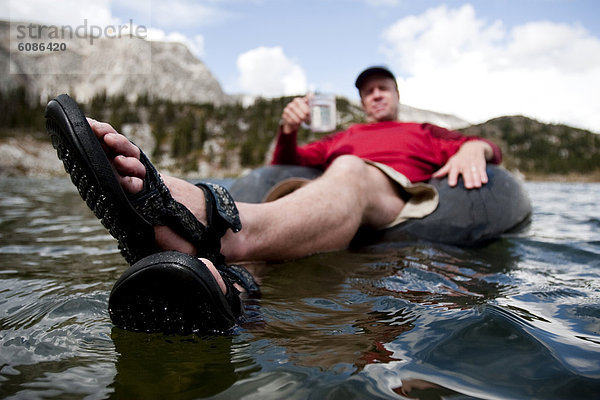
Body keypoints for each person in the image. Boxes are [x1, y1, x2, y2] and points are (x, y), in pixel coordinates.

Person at [45, 66, 501, 333]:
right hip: (332, 197)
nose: (376, 94)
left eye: (383, 88)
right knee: (322, 182)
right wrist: (287, 129)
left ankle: (217, 225)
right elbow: (286, 163)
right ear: (361, 101)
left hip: (393, 191)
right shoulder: (345, 136)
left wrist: (472, 148)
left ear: (397, 95)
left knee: (350, 169)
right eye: (368, 91)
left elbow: (488, 147)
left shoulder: (423, 132)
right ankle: (225, 292)